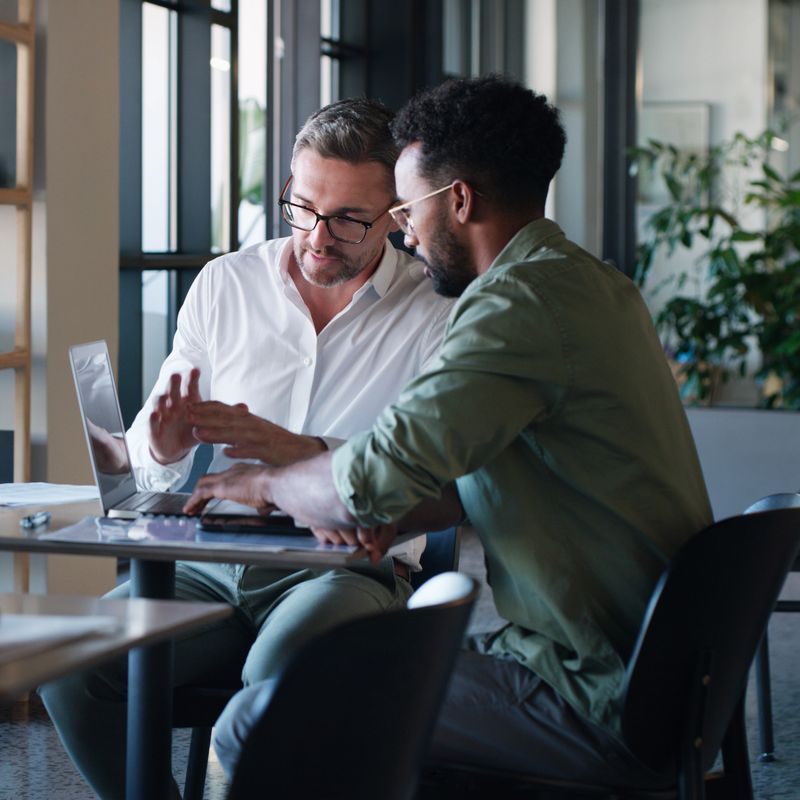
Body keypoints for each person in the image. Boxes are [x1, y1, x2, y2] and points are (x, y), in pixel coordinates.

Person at [185, 76, 713, 788]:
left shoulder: (512, 307)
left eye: (405, 207)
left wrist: (266, 482)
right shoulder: (592, 285)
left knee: (265, 716)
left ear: (458, 200)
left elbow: (365, 481)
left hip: (589, 687)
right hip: (648, 669)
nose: (401, 228)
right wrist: (378, 505)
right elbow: (454, 481)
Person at [40, 97, 453, 800]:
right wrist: (163, 447)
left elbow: (435, 477)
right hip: (212, 558)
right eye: (302, 206)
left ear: (396, 213)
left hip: (346, 565)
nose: (318, 237)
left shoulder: (437, 311)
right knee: (74, 665)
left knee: (280, 677)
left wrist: (299, 453)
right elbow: (150, 454)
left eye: (350, 218)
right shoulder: (226, 285)